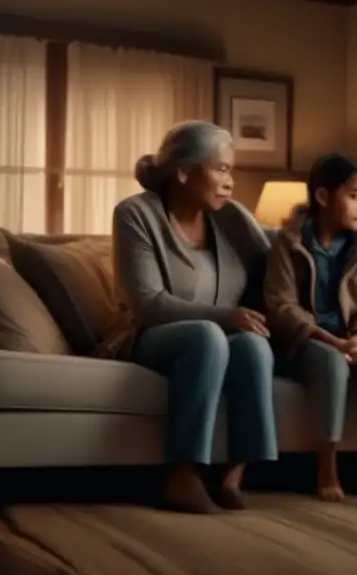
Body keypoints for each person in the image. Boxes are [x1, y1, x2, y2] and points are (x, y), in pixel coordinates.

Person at [111, 120, 278, 514]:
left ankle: (234, 474)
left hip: (213, 338)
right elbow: (149, 304)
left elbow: (278, 267)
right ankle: (182, 474)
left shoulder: (232, 219)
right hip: (150, 337)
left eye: (231, 171)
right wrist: (227, 317)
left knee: (253, 345)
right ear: (183, 172)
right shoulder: (136, 214)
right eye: (220, 169)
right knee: (208, 334)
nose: (230, 181)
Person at [264, 154, 357, 502]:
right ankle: (327, 468)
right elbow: (281, 305)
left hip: (352, 336)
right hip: (305, 340)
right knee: (330, 363)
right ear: (323, 197)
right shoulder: (288, 242)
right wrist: (324, 337)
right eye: (353, 196)